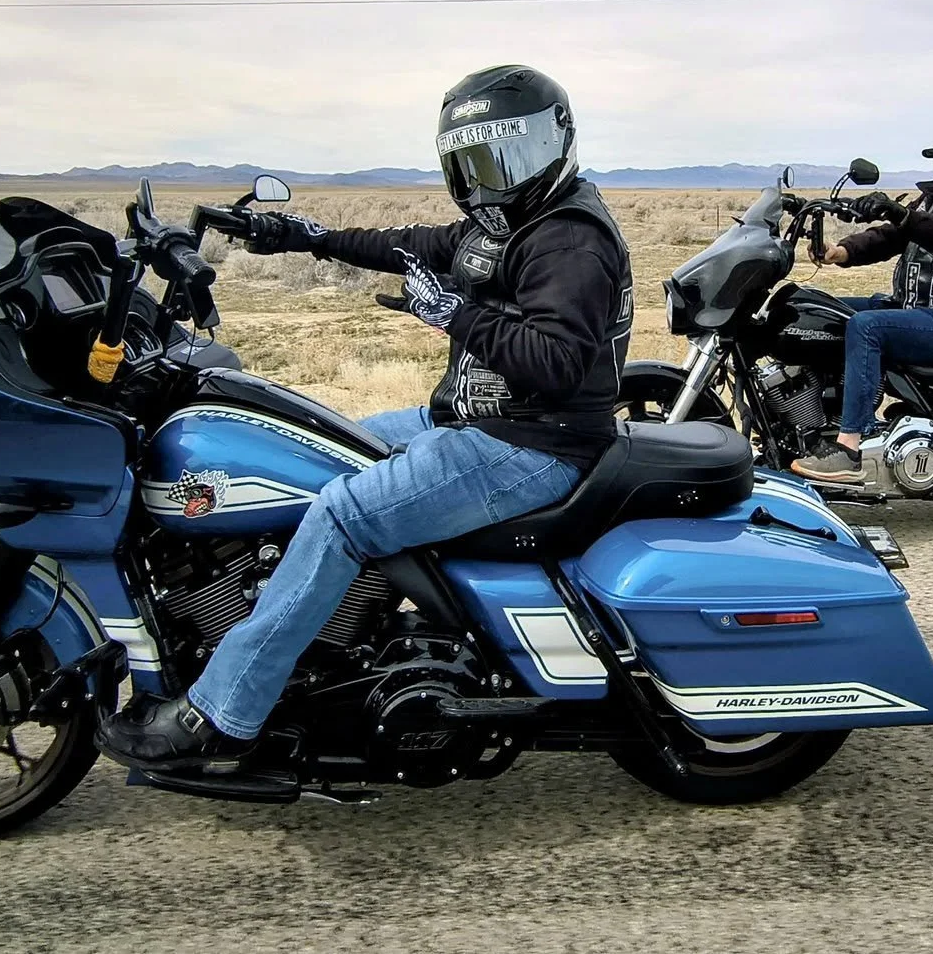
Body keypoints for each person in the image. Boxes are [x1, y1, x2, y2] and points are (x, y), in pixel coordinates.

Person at [98, 65, 634, 771]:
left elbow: (557, 361)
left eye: (508, 155)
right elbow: (406, 244)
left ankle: (224, 711)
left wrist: (452, 312)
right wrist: (299, 235)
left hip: (533, 444)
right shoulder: (503, 226)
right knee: (312, 447)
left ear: (553, 145)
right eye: (475, 162)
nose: (492, 177)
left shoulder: (568, 238)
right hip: (477, 423)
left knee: (341, 512)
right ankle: (333, 637)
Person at [792, 126, 933, 484]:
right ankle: (805, 420)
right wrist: (842, 251)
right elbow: (890, 237)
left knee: (867, 326)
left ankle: (850, 446)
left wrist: (903, 215)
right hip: (910, 309)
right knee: (812, 307)